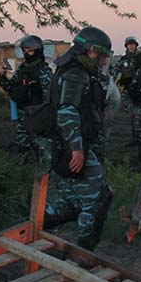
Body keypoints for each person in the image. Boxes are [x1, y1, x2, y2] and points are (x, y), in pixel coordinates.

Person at [39, 26, 114, 250]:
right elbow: (67, 111)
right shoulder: (76, 73)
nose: (102, 62)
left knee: (72, 199)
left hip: (61, 144)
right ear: (91, 51)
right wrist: (77, 149)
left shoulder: (70, 69)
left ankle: (41, 221)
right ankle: (84, 253)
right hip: (71, 145)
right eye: (101, 56)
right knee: (97, 198)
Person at [0, 35, 50, 162]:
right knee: (22, 146)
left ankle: (43, 174)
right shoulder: (22, 69)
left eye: (30, 51)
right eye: (24, 51)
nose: (27, 54)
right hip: (23, 115)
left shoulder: (44, 71)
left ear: (37, 51)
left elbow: (49, 97)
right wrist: (2, 76)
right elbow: (10, 88)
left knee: (41, 149)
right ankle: (25, 173)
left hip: (38, 116)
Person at [107, 36, 140, 144]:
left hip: (140, 90)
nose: (131, 46)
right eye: (129, 44)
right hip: (127, 90)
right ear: (126, 46)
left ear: (136, 45)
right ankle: (135, 137)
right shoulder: (123, 60)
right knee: (131, 114)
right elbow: (114, 72)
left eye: (133, 44)